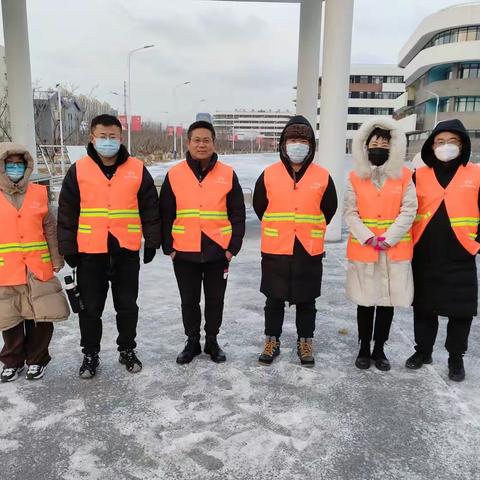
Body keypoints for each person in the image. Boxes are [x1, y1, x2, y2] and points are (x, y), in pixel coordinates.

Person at [57, 114, 161, 378]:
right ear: (92, 138)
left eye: (112, 137)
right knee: (90, 309)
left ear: (120, 138)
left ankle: (127, 349)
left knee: (127, 306)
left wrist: (152, 240)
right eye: (102, 136)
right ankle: (90, 354)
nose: (107, 141)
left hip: (125, 251)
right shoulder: (78, 170)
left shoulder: (137, 169)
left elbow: (150, 207)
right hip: (90, 253)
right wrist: (68, 247)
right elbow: (67, 212)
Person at [253, 115, 337, 367]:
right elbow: (260, 207)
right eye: (292, 139)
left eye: (302, 140)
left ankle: (305, 341)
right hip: (276, 246)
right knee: (273, 298)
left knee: (307, 299)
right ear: (283, 143)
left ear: (311, 145)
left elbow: (329, 209)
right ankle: (272, 340)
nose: (297, 145)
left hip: (307, 248)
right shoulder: (268, 175)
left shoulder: (322, 176)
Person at [160, 121, 245, 364]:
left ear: (213, 143)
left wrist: (232, 248)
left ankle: (212, 341)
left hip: (218, 251)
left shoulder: (227, 174)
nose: (201, 144)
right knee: (189, 300)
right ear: (188, 143)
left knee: (215, 300)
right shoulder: (175, 174)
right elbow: (165, 212)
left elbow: (238, 213)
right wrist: (169, 248)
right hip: (184, 251)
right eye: (196, 140)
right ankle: (192, 341)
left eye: (206, 140)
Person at [406, 119, 479, 382]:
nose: (445, 146)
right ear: (431, 145)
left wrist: (477, 240)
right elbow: (407, 210)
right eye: (440, 142)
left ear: (463, 144)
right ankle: (422, 351)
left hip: (461, 253)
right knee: (424, 307)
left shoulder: (476, 173)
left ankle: (455, 357)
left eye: (452, 142)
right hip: (425, 252)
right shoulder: (419, 174)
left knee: (461, 310)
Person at [344, 118, 417, 371]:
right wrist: (368, 237)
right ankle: (364, 348)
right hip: (365, 249)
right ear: (365, 146)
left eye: (385, 143)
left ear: (394, 147)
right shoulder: (355, 177)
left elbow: (410, 210)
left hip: (393, 250)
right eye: (374, 142)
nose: (379, 147)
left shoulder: (405, 176)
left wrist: (389, 237)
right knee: (365, 302)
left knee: (386, 302)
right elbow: (350, 212)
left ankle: (379, 349)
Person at [0, 143, 69, 382]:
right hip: (6, 268)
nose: (15, 168)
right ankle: (12, 361)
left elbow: (50, 228)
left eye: (20, 164)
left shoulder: (39, 193)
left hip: (38, 266)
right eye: (10, 165)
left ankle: (37, 360)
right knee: (9, 316)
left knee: (42, 315)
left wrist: (56, 257)